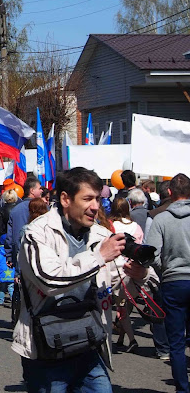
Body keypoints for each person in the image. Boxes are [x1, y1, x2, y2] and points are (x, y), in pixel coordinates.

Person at [12, 167, 151, 392]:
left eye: (97, 198)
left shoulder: (100, 234)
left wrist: (137, 275)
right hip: (47, 349)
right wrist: (98, 257)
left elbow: (114, 280)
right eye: (87, 199)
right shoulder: (37, 233)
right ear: (66, 199)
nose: (95, 206)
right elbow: (50, 280)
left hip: (89, 343)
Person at [148, 173, 190, 392]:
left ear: (170, 193)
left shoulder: (161, 219)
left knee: (176, 342)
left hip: (173, 281)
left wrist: (164, 269)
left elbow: (151, 254)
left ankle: (183, 388)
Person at [109, 197, 143, 353]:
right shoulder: (136, 227)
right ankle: (122, 338)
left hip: (116, 270)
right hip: (133, 269)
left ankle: (131, 339)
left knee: (120, 307)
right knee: (125, 307)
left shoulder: (111, 226)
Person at [5, 178, 43, 267]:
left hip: (20, 255)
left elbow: (10, 236)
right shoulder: (43, 209)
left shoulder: (15, 210)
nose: (42, 190)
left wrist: (9, 256)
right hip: (39, 256)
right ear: (32, 191)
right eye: (39, 188)